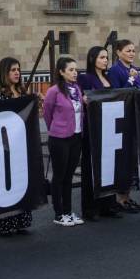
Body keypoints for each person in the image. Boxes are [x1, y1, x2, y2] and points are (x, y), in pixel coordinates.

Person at [0, 57, 34, 236]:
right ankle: (5, 224)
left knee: (21, 183)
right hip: (2, 147)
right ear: (4, 72)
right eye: (13, 70)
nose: (17, 73)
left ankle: (21, 222)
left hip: (20, 146)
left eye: (18, 69)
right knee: (5, 184)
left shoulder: (22, 91)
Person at [77, 47, 121, 221]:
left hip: (109, 127)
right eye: (102, 57)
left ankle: (107, 204)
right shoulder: (85, 78)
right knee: (90, 168)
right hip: (92, 128)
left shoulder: (108, 77)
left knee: (109, 166)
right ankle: (89, 208)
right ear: (92, 58)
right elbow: (82, 98)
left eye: (106, 57)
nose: (105, 60)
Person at [104, 40, 140, 214]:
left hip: (134, 116)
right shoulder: (115, 71)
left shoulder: (133, 69)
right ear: (119, 52)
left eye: (133, 51)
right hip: (121, 118)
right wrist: (130, 80)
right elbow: (118, 93)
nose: (131, 53)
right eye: (128, 50)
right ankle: (120, 198)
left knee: (132, 157)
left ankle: (127, 196)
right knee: (122, 157)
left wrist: (135, 80)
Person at [42, 58, 85, 227]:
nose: (75, 73)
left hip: (76, 137)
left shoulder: (77, 89)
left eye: (76, 69)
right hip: (59, 138)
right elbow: (47, 112)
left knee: (69, 176)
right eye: (71, 70)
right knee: (59, 176)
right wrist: (56, 128)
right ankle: (58, 213)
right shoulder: (54, 91)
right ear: (61, 72)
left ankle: (68, 211)